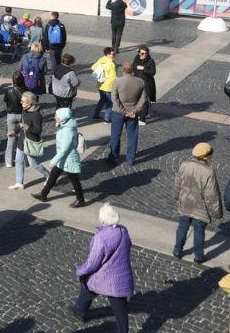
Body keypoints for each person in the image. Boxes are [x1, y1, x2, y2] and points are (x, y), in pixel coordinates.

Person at [72, 204, 135, 332]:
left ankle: (79, 311)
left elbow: (92, 263)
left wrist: (80, 271)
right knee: (120, 309)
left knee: (87, 287)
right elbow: (129, 245)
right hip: (120, 278)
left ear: (103, 221)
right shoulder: (123, 230)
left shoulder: (100, 238)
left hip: (103, 276)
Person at [173, 142, 223, 263]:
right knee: (199, 231)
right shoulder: (209, 172)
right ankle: (198, 256)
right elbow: (211, 195)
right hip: (201, 208)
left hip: (185, 203)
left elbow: (177, 183)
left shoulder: (184, 165)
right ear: (206, 156)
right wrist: (216, 212)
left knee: (182, 227)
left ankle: (177, 250)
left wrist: (176, 196)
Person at [32, 107, 86, 207]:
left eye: (57, 116)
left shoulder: (68, 131)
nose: (54, 117)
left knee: (74, 180)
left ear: (63, 119)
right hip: (63, 158)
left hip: (68, 159)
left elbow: (65, 149)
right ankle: (43, 194)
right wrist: (59, 123)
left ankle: (81, 200)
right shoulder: (65, 126)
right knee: (53, 176)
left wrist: (53, 161)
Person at [11, 91, 52, 190]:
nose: (21, 103)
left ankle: (48, 176)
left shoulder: (36, 115)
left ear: (30, 103)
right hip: (22, 141)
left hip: (31, 142)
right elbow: (21, 124)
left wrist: (27, 127)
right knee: (18, 161)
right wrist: (14, 132)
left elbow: (38, 131)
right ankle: (19, 182)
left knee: (34, 164)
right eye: (21, 101)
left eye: (23, 101)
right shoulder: (24, 111)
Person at [109, 62, 147, 166]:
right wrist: (134, 111)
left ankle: (113, 158)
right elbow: (143, 99)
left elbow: (114, 99)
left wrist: (123, 111)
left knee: (115, 135)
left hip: (119, 113)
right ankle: (130, 159)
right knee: (132, 136)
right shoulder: (140, 82)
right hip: (133, 113)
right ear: (133, 71)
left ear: (123, 71)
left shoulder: (117, 81)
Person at [2, 71, 27, 167]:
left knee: (11, 138)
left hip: (11, 115)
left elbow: (6, 100)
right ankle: (23, 161)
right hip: (23, 115)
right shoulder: (26, 91)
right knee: (23, 139)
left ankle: (8, 161)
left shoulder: (8, 90)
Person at [132, 45, 157, 124]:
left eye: (146, 53)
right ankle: (139, 114)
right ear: (139, 53)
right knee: (137, 100)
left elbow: (152, 72)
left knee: (145, 101)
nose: (144, 55)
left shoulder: (150, 61)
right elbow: (133, 67)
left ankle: (142, 119)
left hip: (146, 84)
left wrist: (143, 69)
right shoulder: (137, 58)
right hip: (136, 83)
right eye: (142, 53)